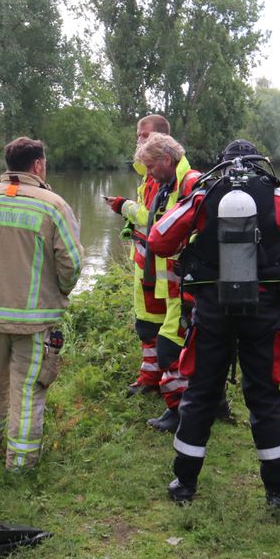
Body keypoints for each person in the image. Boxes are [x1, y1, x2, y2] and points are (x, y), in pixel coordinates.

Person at [147, 139, 280, 510]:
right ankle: (276, 492)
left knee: (201, 394)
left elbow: (158, 239)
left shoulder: (206, 193)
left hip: (212, 313)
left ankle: (184, 483)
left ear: (222, 163)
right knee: (266, 399)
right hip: (263, 313)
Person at [0, 137, 83, 469]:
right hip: (36, 319)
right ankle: (21, 463)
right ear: (37, 165)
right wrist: (58, 290)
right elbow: (72, 264)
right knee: (28, 389)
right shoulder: (53, 205)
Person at [128, 132, 207, 431]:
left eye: (151, 167)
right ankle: (189, 408)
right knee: (179, 346)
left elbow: (202, 231)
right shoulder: (168, 184)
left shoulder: (192, 183)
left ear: (166, 159)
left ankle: (181, 413)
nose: (148, 174)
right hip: (173, 284)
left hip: (189, 285)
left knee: (171, 348)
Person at [103, 114, 175, 398]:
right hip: (146, 261)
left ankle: (155, 380)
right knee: (148, 322)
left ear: (160, 139)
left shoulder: (164, 174)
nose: (138, 140)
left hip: (159, 266)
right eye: (138, 135)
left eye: (144, 135)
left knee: (154, 324)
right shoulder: (149, 173)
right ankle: (151, 377)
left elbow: (152, 217)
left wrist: (123, 206)